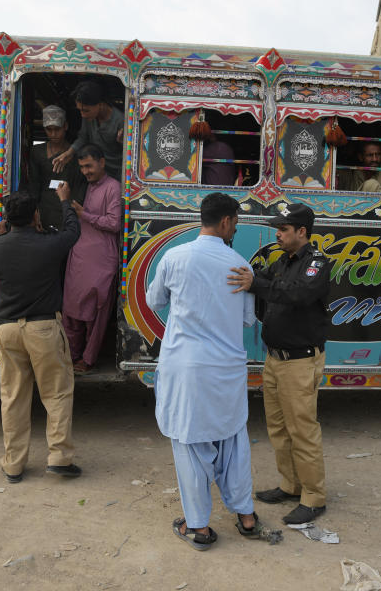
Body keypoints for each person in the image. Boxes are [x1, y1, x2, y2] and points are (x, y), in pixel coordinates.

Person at [146, 192, 260, 550]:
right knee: (233, 439)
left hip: (186, 367)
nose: (235, 228)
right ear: (226, 222)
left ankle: (198, 527)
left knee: (191, 444)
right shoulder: (241, 265)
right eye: (236, 222)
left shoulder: (174, 257)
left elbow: (154, 301)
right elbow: (246, 319)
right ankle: (246, 516)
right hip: (226, 368)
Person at [227, 203, 331, 525]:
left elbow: (298, 294)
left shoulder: (316, 263)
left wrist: (256, 284)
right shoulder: (282, 262)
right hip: (275, 360)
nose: (278, 234)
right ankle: (290, 485)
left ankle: (313, 497)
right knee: (278, 429)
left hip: (299, 363)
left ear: (302, 231)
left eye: (284, 229)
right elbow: (261, 279)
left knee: (302, 430)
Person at [0, 189, 82, 483]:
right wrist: (64, 200)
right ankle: (59, 458)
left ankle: (13, 464)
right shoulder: (50, 243)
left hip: (8, 330)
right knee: (57, 393)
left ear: (7, 219)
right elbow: (73, 231)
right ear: (36, 215)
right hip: (44, 329)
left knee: (12, 398)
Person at [62, 145, 122, 373]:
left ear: (102, 162)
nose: (86, 171)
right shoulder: (85, 186)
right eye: (82, 167)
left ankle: (87, 360)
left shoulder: (113, 188)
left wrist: (83, 214)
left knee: (96, 313)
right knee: (72, 309)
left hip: (102, 259)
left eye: (89, 165)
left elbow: (114, 223)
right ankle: (72, 354)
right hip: (79, 255)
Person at [28, 105, 87, 229]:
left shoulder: (75, 154)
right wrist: (33, 211)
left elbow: (79, 185)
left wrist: (74, 210)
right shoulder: (37, 151)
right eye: (49, 129)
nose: (53, 134)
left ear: (65, 126)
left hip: (67, 207)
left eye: (57, 129)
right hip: (44, 208)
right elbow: (33, 185)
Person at [51, 81, 124, 180]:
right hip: (96, 173)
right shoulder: (88, 117)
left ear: (100, 104)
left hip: (116, 175)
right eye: (80, 110)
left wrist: (123, 143)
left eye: (86, 110)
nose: (82, 115)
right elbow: (83, 137)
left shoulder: (120, 121)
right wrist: (69, 153)